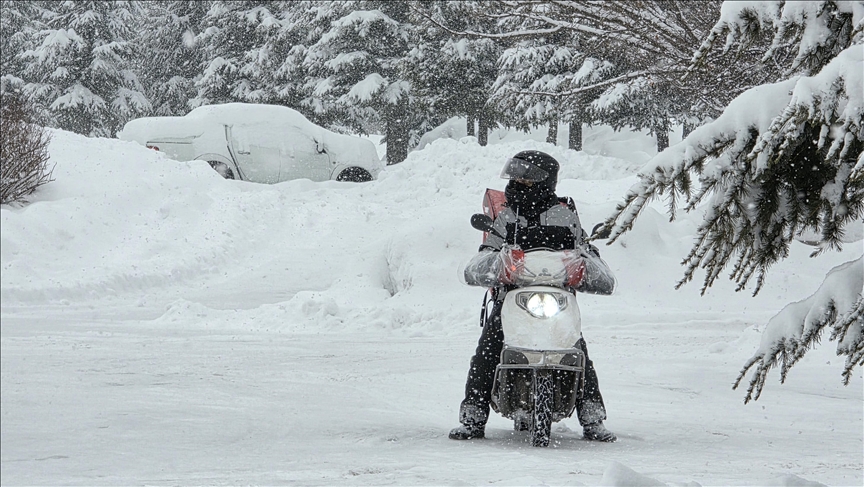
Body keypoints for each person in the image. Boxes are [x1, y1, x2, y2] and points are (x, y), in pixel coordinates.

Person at [450, 150, 618, 442]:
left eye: (524, 177)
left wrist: (585, 265)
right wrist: (496, 264)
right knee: (489, 347)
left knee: (578, 348)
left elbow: (585, 249)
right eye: (514, 176)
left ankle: (592, 417)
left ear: (543, 180)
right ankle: (473, 416)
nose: (517, 182)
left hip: (557, 294)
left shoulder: (566, 215)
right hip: (513, 294)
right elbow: (486, 253)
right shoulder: (505, 217)